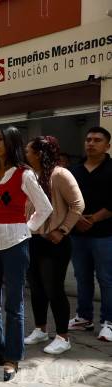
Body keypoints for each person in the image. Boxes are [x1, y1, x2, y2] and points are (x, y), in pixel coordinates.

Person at [0, 126, 52, 381]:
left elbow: (45, 208)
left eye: (1, 139)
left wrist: (26, 229)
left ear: (12, 143)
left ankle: (12, 358)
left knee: (13, 303)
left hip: (15, 244)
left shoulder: (24, 174)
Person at [24, 136, 84, 354]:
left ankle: (63, 337)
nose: (25, 154)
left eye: (28, 151)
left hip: (54, 241)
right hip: (32, 239)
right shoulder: (31, 175)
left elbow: (78, 205)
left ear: (39, 153)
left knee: (53, 288)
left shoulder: (60, 174)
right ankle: (41, 329)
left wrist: (62, 230)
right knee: (36, 288)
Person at [68, 126, 112, 342]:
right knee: (82, 276)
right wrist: (77, 219)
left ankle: (108, 322)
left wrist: (92, 219)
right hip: (78, 234)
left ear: (107, 145)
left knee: (106, 278)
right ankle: (84, 317)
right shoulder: (74, 171)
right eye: (88, 139)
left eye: (97, 140)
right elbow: (67, 199)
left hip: (105, 234)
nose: (91, 143)